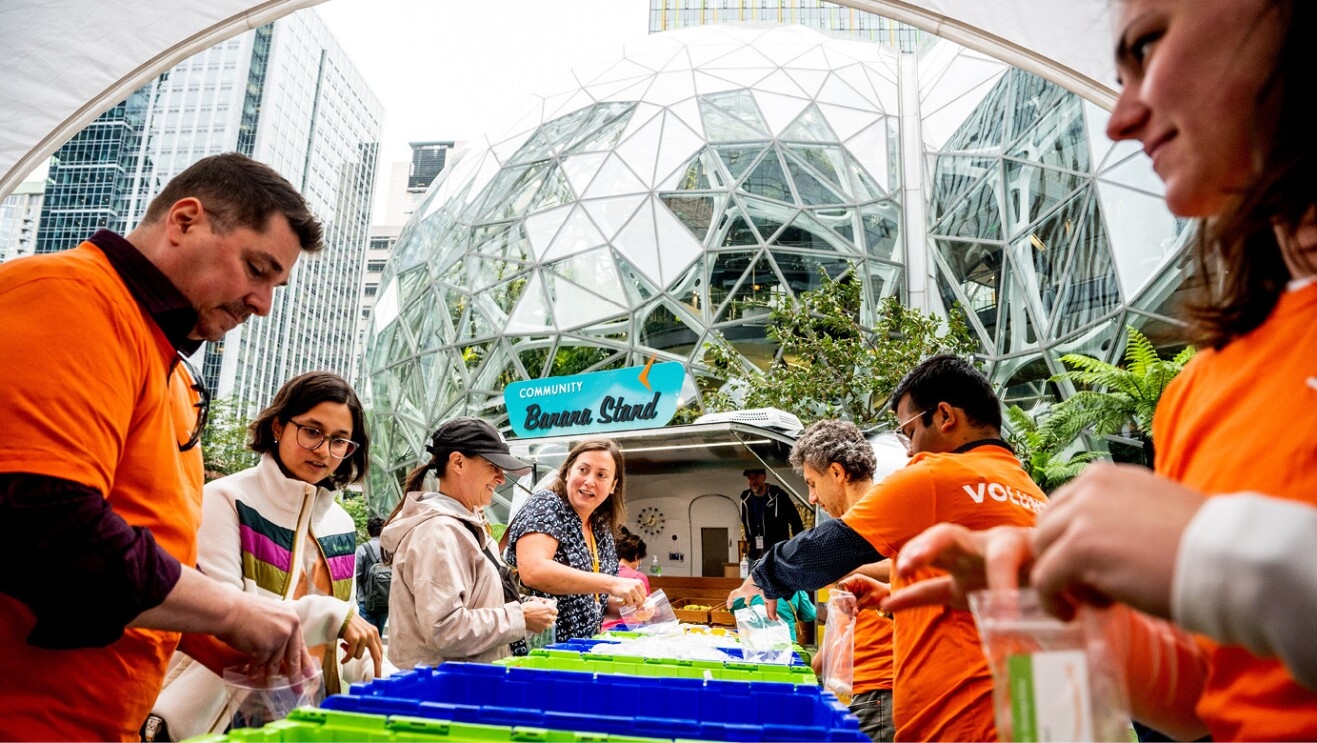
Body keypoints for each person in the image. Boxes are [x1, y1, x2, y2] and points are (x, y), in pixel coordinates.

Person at [882, 2, 1317, 739]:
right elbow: (1207, 697)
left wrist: (1212, 550)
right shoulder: (1195, 392)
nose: (1118, 117)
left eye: (1147, 46)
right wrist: (1041, 601)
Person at [0, 152, 320, 741]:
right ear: (185, 220)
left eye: (276, 286)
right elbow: (45, 527)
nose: (263, 304)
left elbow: (148, 556)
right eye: (256, 268)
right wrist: (232, 611)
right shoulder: (67, 296)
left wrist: (239, 645)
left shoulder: (169, 371)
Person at [728, 355, 1047, 741]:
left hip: (964, 716)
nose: (910, 450)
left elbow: (828, 548)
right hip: (1035, 710)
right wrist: (897, 591)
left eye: (908, 432)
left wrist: (762, 578)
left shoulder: (937, 475)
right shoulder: (1030, 493)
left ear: (944, 416)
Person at [149, 371, 385, 740]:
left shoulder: (339, 522)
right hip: (212, 722)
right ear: (278, 425)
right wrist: (331, 614)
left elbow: (342, 643)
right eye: (312, 431)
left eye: (340, 440)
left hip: (302, 723)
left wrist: (384, 678)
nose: (324, 451)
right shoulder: (226, 499)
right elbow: (222, 618)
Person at [381, 417, 557, 669]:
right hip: (441, 693)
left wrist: (523, 609)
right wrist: (520, 617)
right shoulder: (437, 532)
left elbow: (474, 607)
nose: (501, 478)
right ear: (458, 462)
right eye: (493, 466)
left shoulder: (465, 524)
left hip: (464, 685)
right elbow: (445, 629)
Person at [790, 419, 896, 743]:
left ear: (836, 473)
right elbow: (841, 626)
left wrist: (847, 571)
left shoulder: (888, 512)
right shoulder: (845, 533)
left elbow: (923, 566)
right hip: (854, 689)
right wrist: (804, 675)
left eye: (812, 483)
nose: (812, 497)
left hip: (881, 688)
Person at [505, 439, 647, 642]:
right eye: (583, 470)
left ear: (613, 485)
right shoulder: (548, 505)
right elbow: (533, 571)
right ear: (567, 472)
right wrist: (612, 583)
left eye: (601, 475)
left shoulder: (601, 527)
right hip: (538, 652)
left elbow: (594, 600)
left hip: (579, 653)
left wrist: (630, 604)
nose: (590, 481)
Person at [739, 467, 805, 560]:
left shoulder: (779, 496)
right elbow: (746, 524)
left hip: (777, 554)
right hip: (755, 554)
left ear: (764, 477)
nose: (752, 481)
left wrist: (798, 547)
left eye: (756, 477)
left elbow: (796, 522)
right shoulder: (746, 499)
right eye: (750, 478)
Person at [601, 527, 650, 631]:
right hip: (628, 631)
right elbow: (645, 610)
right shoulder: (638, 578)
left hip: (603, 630)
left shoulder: (605, 572)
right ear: (637, 557)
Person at [356, 516, 389, 633]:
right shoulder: (390, 548)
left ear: (369, 531)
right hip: (385, 602)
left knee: (365, 640)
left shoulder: (362, 549)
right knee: (377, 638)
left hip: (366, 602)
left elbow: (357, 576)